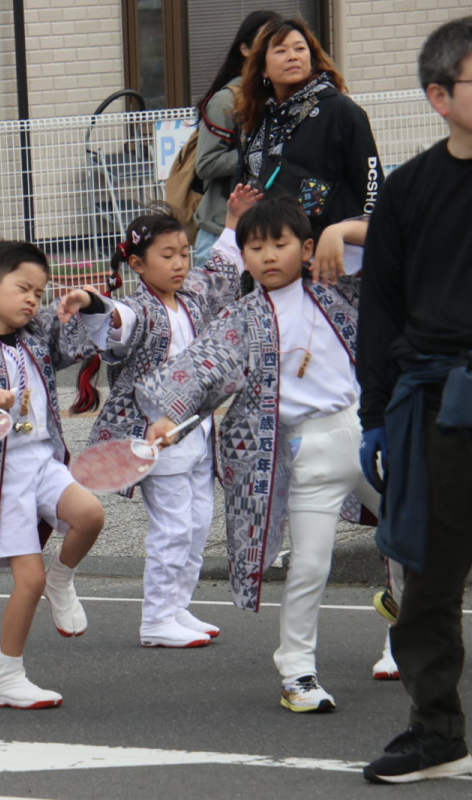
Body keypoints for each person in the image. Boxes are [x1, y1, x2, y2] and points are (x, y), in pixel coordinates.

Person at [139, 197, 382, 714]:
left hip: (370, 434)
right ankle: (297, 671)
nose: (268, 255)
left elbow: (399, 240)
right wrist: (167, 417)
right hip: (307, 449)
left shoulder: (337, 282)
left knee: (415, 535)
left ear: (307, 247)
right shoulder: (241, 317)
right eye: (255, 246)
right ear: (244, 256)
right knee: (311, 566)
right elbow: (201, 370)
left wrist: (342, 228)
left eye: (280, 243)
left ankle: (402, 632)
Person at [359, 17, 472, 785]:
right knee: (428, 576)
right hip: (434, 399)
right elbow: (382, 310)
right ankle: (436, 731)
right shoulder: (410, 188)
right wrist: (375, 414)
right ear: (440, 96)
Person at [78, 189, 256, 648]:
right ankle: (157, 617)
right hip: (154, 433)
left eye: (182, 253)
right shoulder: (139, 308)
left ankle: (177, 606)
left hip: (195, 429)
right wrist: (93, 302)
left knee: (198, 524)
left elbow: (218, 269)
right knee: (174, 526)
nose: (179, 263)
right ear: (137, 265)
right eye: (166, 255)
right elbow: (116, 320)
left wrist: (233, 219)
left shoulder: (192, 297)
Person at [0, 241, 104, 709]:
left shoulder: (34, 333)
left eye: (39, 291)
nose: (33, 299)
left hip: (40, 460)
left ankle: (62, 579)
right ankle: (8, 677)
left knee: (90, 514)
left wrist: (87, 299)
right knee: (26, 582)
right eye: (23, 288)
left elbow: (86, 332)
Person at [234, 18, 383, 242]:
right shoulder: (254, 120)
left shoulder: (340, 110)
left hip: (333, 254)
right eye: (281, 50)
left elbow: (372, 191)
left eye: (300, 49)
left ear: (311, 60)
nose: (292, 56)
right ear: (263, 68)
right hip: (270, 248)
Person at [191, 10, 282, 264]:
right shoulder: (227, 100)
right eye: (269, 41)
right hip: (221, 230)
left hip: (267, 230)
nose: (276, 50)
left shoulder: (281, 98)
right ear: (244, 48)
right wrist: (263, 153)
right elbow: (206, 164)